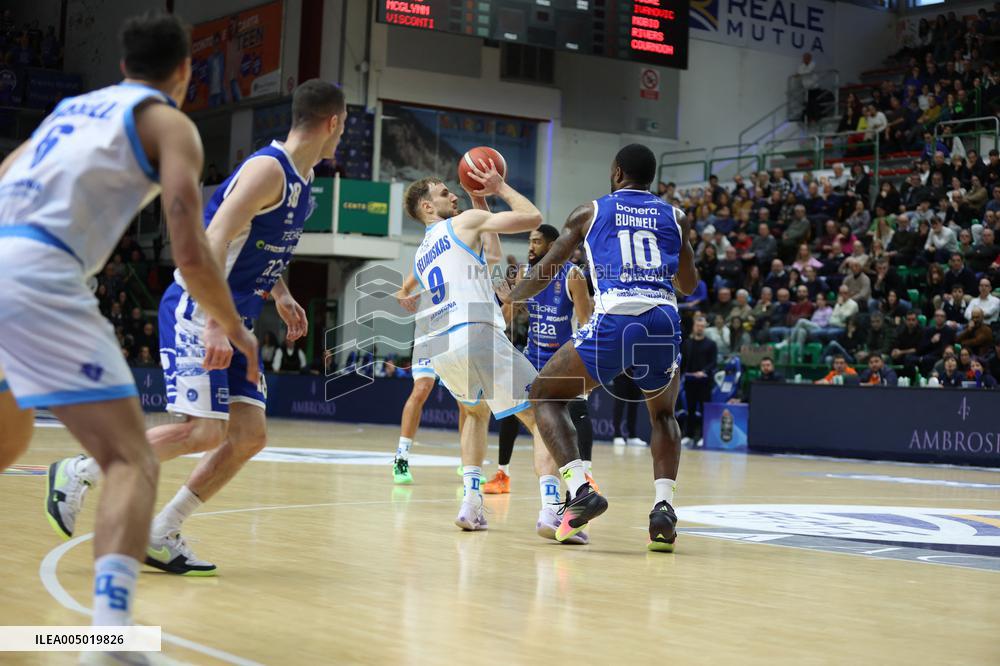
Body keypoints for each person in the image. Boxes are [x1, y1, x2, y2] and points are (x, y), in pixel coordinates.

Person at [2, 13, 256, 628]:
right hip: (40, 273)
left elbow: (5, 174)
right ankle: (112, 635)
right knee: (129, 461)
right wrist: (234, 325)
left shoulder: (70, 110)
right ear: (186, 72)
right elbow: (192, 254)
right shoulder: (171, 124)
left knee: (7, 442)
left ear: (121, 67)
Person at [46, 79, 344, 576]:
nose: (340, 137)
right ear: (332, 123)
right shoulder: (267, 169)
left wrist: (282, 292)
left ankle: (161, 532)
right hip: (198, 304)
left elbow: (257, 244)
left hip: (237, 316)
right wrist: (210, 322)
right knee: (203, 430)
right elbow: (215, 236)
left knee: (249, 436)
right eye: (342, 128)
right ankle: (79, 471)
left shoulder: (304, 178)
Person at [504, 144, 697, 551]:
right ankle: (663, 508)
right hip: (663, 320)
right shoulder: (675, 216)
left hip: (617, 318)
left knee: (543, 394)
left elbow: (549, 268)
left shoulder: (590, 211)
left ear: (616, 172)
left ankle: (580, 488)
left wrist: (512, 296)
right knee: (663, 414)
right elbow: (690, 284)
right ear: (651, 178)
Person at [405, 159, 585, 543]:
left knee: (473, 413)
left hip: (441, 344)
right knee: (545, 412)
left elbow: (492, 255)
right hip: (474, 331)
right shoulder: (461, 222)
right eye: (442, 193)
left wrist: (476, 197)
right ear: (426, 206)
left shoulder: (421, 253)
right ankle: (553, 511)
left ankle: (470, 504)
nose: (451, 195)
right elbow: (531, 217)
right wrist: (499, 186)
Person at [485, 224, 596, 494]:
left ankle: (587, 476)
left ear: (553, 245)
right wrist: (500, 307)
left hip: (564, 357)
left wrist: (585, 362)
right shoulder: (525, 273)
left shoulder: (572, 275)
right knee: (511, 410)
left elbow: (584, 322)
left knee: (577, 414)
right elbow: (508, 315)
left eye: (536, 242)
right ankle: (503, 474)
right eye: (530, 242)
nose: (530, 247)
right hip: (533, 354)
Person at [391, 275, 469, 486]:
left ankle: (467, 461)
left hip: (454, 332)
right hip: (428, 332)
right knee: (422, 388)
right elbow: (401, 292)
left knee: (465, 400)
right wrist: (404, 297)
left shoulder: (463, 253)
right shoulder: (425, 257)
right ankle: (401, 457)